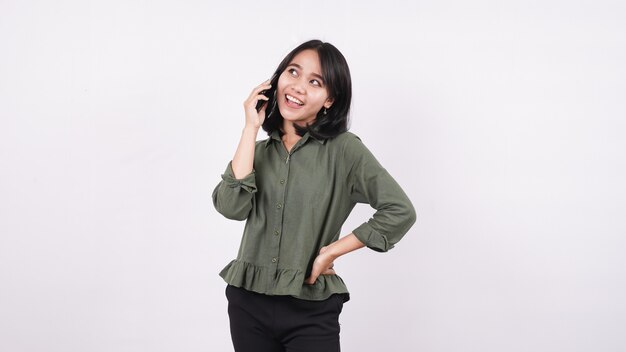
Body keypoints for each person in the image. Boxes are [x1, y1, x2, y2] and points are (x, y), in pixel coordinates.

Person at [212, 39, 416, 352]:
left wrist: (331, 252)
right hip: (247, 302)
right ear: (276, 79)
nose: (298, 87)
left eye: (315, 81)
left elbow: (399, 210)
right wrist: (250, 128)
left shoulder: (345, 150)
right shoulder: (258, 152)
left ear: (330, 99)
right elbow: (231, 207)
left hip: (311, 305)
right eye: (292, 72)